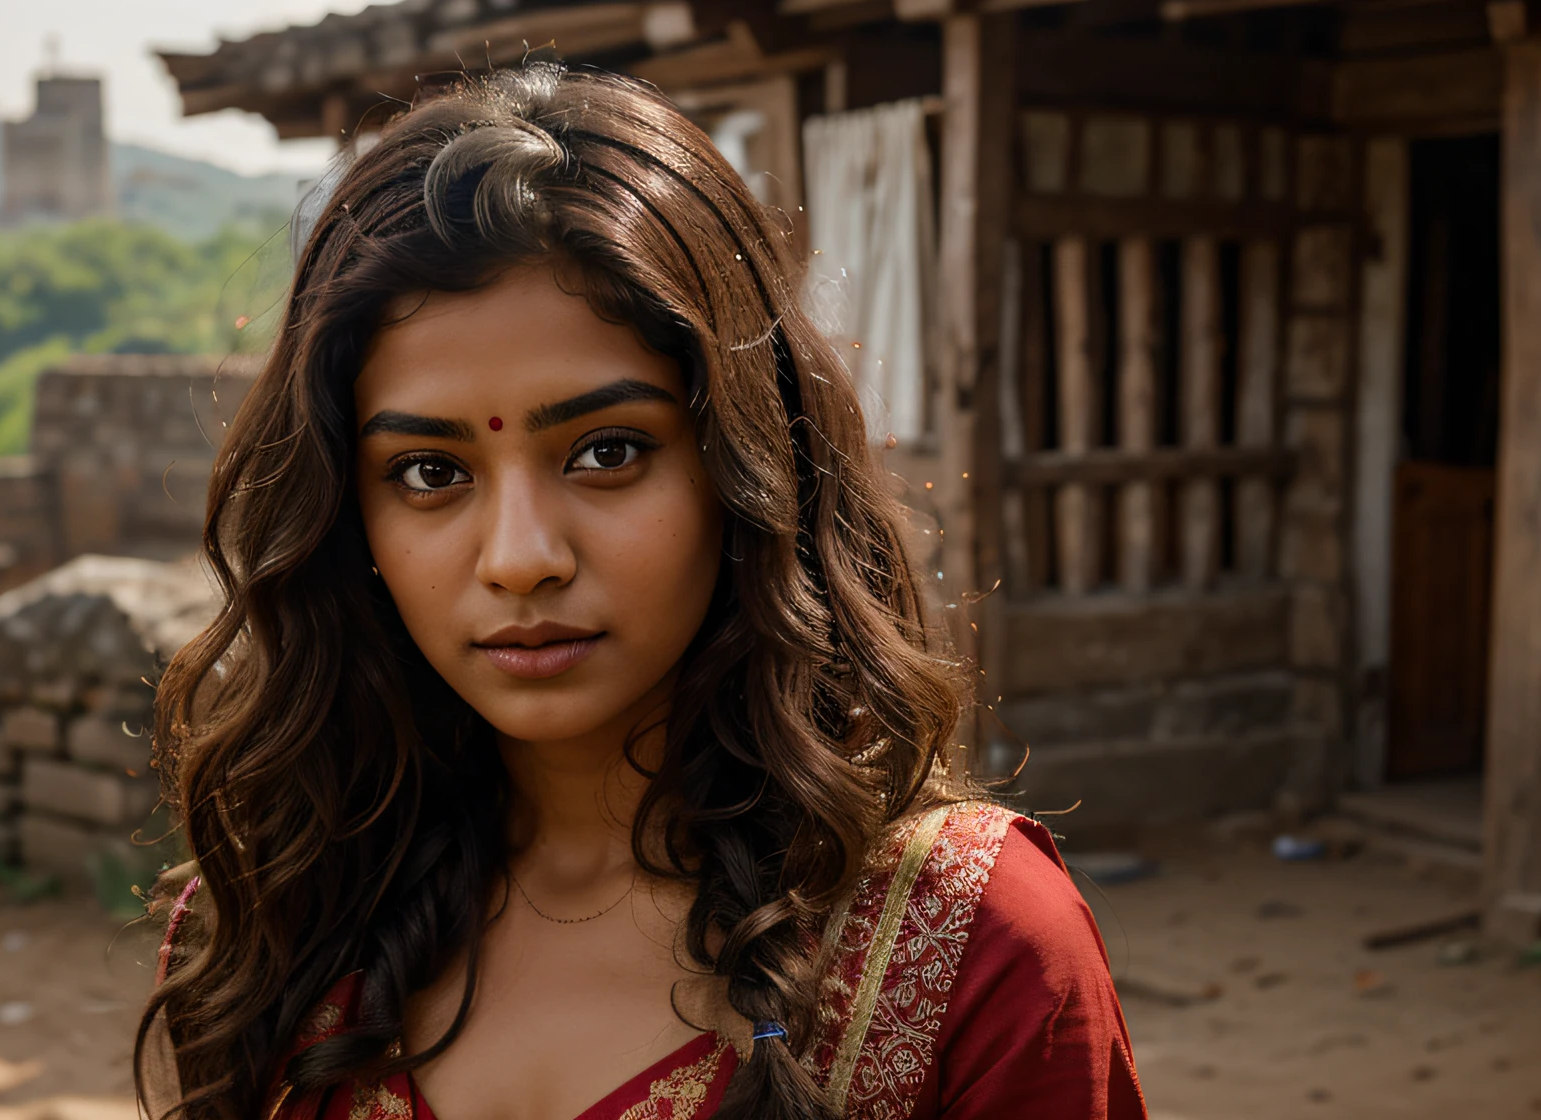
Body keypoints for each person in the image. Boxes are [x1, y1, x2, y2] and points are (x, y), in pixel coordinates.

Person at [136, 62, 1146, 1120]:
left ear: (746, 463)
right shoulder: (266, 928)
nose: (520, 557)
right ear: (350, 520)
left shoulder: (967, 949)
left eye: (606, 450)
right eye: (429, 472)